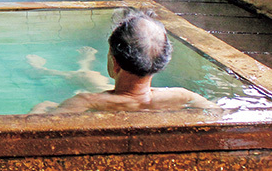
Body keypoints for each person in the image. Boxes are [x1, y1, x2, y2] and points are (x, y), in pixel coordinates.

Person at [30, 9, 217, 114]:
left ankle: (46, 69)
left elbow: (33, 133)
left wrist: (41, 108)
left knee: (46, 103)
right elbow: (218, 115)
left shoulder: (86, 103)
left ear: (115, 62)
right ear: (161, 63)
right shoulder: (184, 97)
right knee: (88, 77)